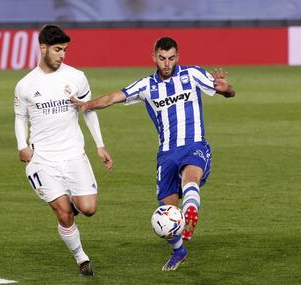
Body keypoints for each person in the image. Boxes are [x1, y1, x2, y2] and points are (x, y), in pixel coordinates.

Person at [71, 36, 235, 271]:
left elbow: (229, 92)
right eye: (162, 58)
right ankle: (179, 251)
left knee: (191, 178)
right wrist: (87, 105)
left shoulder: (193, 75)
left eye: (171, 58)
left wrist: (226, 89)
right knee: (165, 212)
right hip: (166, 153)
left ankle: (190, 213)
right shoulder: (146, 85)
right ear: (154, 57)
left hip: (194, 144)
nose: (167, 63)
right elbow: (113, 97)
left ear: (178, 57)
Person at [14, 24, 113, 276]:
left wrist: (99, 145)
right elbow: (20, 117)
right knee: (63, 213)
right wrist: (22, 146)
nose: (62, 55)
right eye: (58, 50)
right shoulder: (25, 85)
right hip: (43, 160)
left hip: (73, 155)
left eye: (65, 50)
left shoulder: (76, 77)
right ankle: (81, 258)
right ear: (43, 48)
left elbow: (87, 110)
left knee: (89, 209)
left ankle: (71, 203)